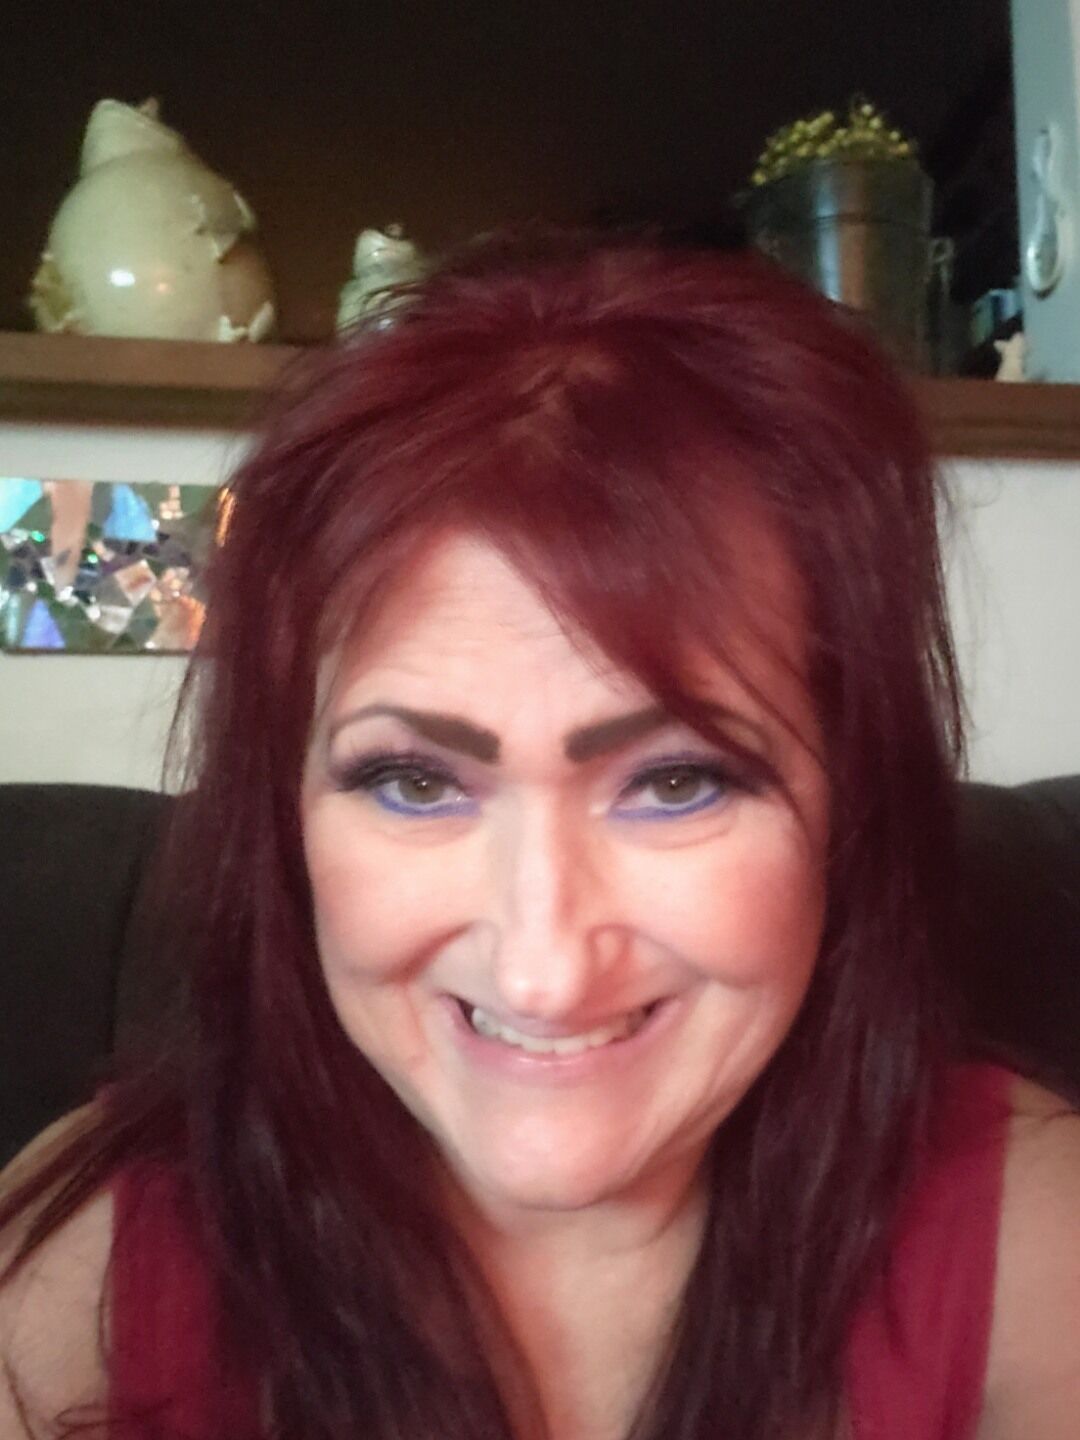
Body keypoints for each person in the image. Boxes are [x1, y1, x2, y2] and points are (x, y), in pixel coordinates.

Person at [1, 232, 1077, 1440]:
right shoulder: (89, 1257)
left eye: (678, 780)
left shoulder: (1031, 1232)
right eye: (414, 781)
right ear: (282, 818)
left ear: (848, 809)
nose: (541, 972)